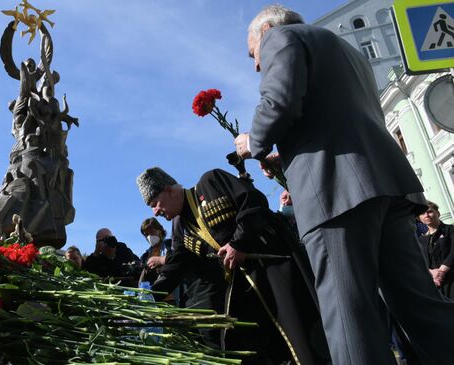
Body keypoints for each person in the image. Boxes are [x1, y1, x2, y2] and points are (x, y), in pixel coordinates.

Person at [233, 5, 454, 364]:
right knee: (421, 308)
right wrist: (284, 157)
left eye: (252, 53)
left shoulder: (281, 37)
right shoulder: (348, 51)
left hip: (335, 192)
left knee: (350, 317)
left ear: (269, 28)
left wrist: (252, 142)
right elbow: (334, 118)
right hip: (386, 186)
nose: (256, 64)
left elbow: (279, 102)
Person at [137, 167, 329, 364]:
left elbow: (253, 203)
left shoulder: (211, 181)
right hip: (242, 291)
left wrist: (239, 243)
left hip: (272, 270)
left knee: (300, 334)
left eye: (155, 203)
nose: (156, 211)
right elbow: (176, 265)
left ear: (169, 190)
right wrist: (148, 297)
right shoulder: (179, 226)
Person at [418, 201, 454, 300]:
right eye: (422, 213)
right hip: (435, 283)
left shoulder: (450, 230)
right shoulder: (420, 240)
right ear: (419, 219)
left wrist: (441, 271)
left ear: (437, 213)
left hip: (451, 278)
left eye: (429, 211)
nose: (426, 215)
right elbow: (420, 261)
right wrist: (431, 273)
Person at [138, 218, 172, 284]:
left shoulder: (170, 245)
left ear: (159, 230)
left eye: (151, 232)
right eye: (146, 234)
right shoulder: (145, 256)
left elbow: (176, 259)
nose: (149, 236)